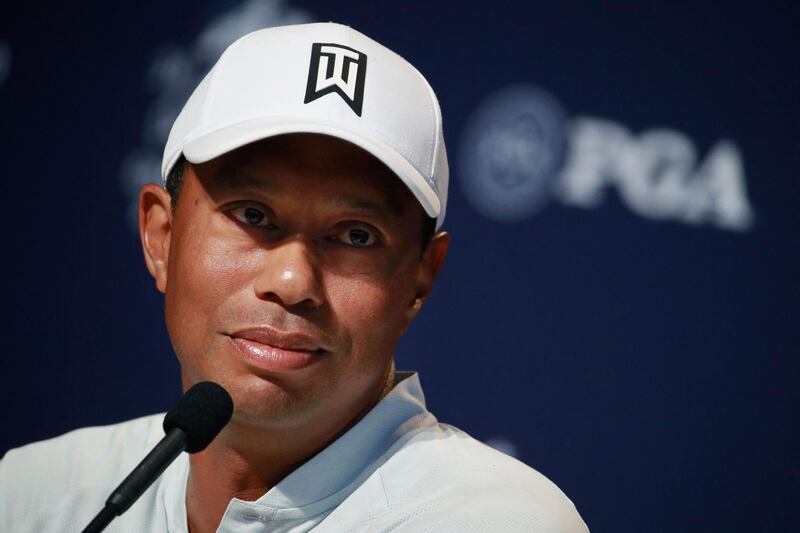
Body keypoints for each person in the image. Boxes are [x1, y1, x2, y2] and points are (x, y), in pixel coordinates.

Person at [0, 23, 588, 532]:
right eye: (252, 215)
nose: (291, 280)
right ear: (161, 238)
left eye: (355, 234)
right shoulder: (32, 497)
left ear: (419, 279)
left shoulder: (499, 522)